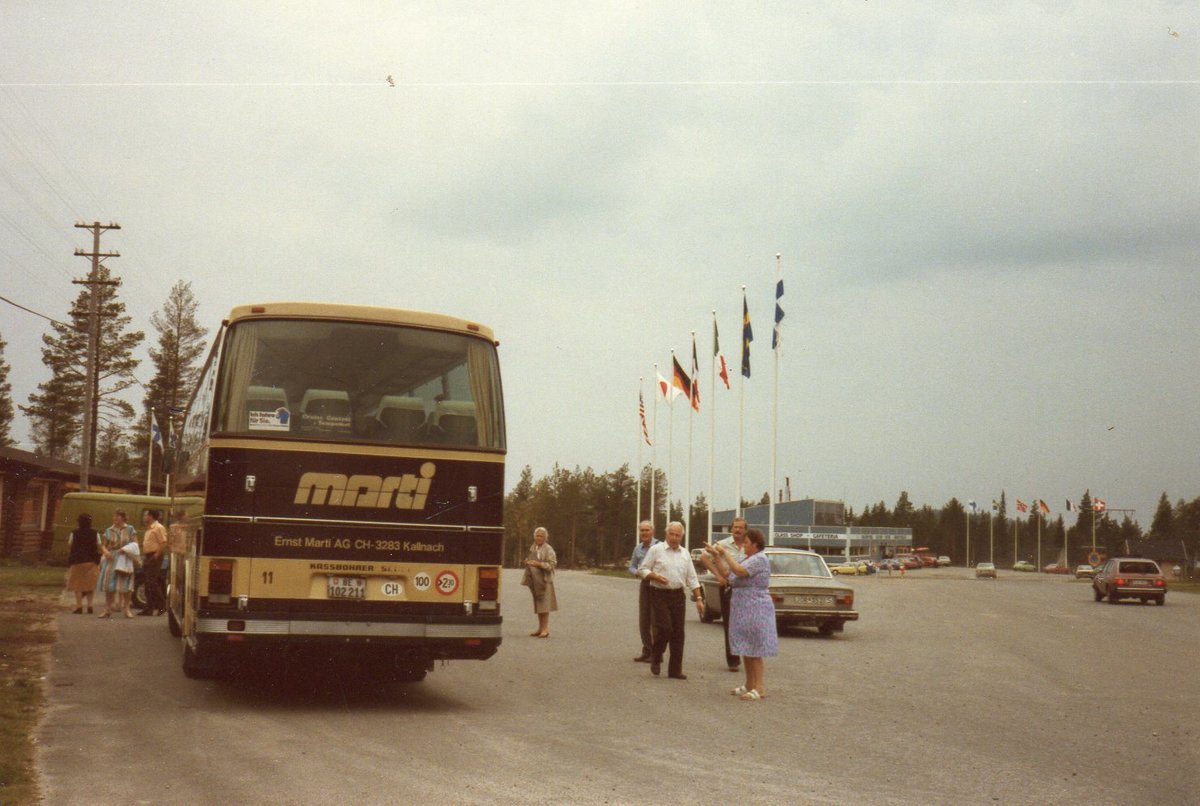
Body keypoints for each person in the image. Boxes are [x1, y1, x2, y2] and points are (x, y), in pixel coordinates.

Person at [707, 528, 777, 700]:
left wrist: (724, 552)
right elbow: (726, 573)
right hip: (742, 606)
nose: (744, 545)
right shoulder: (747, 558)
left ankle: (759, 688)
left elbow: (737, 570)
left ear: (755, 544)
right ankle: (749, 684)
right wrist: (716, 555)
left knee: (754, 647)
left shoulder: (759, 559)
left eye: (746, 543)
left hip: (755, 606)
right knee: (745, 645)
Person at [638, 521, 703, 679]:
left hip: (678, 595)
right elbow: (642, 569)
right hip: (659, 593)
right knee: (665, 628)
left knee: (678, 633)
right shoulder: (656, 550)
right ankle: (656, 654)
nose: (674, 538)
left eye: (677, 535)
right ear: (666, 534)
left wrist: (699, 599)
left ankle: (675, 670)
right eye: (671, 534)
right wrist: (654, 576)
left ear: (682, 536)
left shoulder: (685, 554)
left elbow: (692, 578)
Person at [701, 516, 748, 672]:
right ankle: (733, 660)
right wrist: (719, 576)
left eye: (741, 527)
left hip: (747, 589)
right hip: (729, 587)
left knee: (746, 623)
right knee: (730, 624)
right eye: (735, 527)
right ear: (731, 529)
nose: (738, 530)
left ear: (745, 530)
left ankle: (748, 657)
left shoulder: (749, 544)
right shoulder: (722, 545)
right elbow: (704, 557)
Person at [97, 509, 139, 618]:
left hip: (125, 558)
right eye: (114, 516)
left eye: (117, 516)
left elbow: (135, 544)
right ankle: (108, 609)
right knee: (109, 584)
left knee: (126, 585)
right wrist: (106, 552)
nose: (115, 518)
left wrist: (125, 549)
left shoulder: (130, 529)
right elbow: (103, 545)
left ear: (123, 517)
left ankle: (127, 609)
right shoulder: (109, 530)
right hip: (111, 558)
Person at [628, 520, 659, 662]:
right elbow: (632, 566)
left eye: (647, 530)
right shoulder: (638, 549)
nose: (644, 533)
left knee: (655, 620)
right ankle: (647, 650)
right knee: (644, 620)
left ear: (652, 532)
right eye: (642, 530)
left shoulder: (659, 547)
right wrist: (638, 572)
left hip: (657, 585)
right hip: (645, 584)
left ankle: (656, 652)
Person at [521, 526, 557, 637]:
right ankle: (540, 628)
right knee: (538, 604)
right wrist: (527, 562)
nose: (539, 538)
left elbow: (552, 564)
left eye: (541, 536)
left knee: (544, 604)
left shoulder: (548, 549)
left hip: (545, 580)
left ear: (545, 537)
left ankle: (545, 629)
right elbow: (531, 560)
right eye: (537, 535)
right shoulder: (533, 548)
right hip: (535, 581)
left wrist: (538, 564)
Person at [65, 513, 102, 614]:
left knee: (78, 585)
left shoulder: (74, 533)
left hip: (77, 561)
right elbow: (98, 545)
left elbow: (70, 544)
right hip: (91, 561)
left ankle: (79, 606)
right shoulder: (95, 533)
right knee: (90, 584)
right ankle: (90, 606)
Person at [139, 509, 168, 616]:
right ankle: (149, 608)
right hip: (148, 556)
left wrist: (155, 556)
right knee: (147, 583)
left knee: (152, 582)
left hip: (154, 556)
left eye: (146, 515)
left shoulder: (158, 527)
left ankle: (162, 605)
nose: (144, 517)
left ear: (150, 516)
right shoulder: (149, 528)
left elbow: (163, 543)